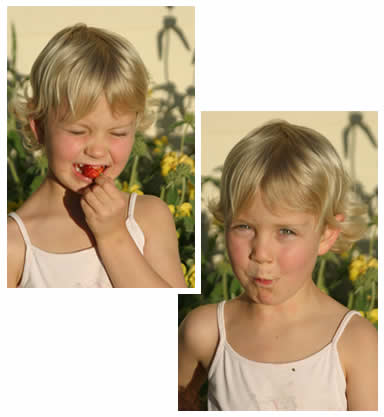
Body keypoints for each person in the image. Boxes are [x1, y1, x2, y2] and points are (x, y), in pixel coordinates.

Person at [178, 120, 377, 410]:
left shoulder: (355, 343)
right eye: (244, 227)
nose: (261, 253)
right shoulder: (205, 332)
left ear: (326, 236)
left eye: (286, 232)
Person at [8, 23, 186, 288]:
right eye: (79, 131)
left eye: (118, 133)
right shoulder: (13, 243)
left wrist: (114, 235)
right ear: (40, 128)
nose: (98, 150)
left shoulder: (148, 218)